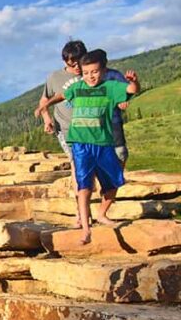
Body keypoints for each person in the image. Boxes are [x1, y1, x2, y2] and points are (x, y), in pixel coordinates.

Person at [38, 50, 139, 244]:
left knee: (114, 183)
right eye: (86, 73)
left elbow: (132, 90)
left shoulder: (110, 87)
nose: (90, 76)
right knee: (84, 186)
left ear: (103, 70)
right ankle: (86, 229)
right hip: (80, 144)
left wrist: (133, 81)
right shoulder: (77, 87)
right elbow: (61, 95)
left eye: (94, 72)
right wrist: (46, 106)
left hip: (103, 143)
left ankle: (101, 213)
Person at [35, 40, 86, 227]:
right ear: (65, 61)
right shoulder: (55, 77)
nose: (76, 67)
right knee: (76, 165)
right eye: (71, 63)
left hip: (93, 129)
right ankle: (80, 213)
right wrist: (47, 118)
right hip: (66, 129)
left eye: (79, 62)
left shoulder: (92, 73)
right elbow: (44, 100)